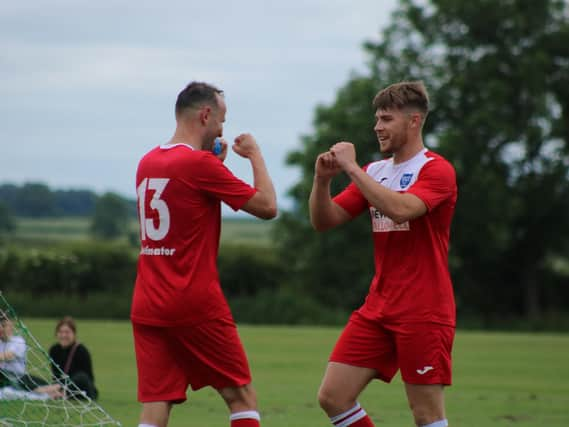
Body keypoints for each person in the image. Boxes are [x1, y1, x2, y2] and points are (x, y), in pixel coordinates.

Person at [310, 81, 457, 427]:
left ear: (414, 122)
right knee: (333, 397)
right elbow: (325, 220)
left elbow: (402, 209)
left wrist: (352, 168)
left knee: (426, 415)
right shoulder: (376, 172)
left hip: (424, 308)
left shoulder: (436, 169)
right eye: (377, 118)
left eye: (387, 118)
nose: (377, 126)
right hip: (378, 307)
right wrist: (321, 182)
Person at [131, 81, 277, 427]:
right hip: (192, 299)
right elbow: (268, 206)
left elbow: (187, 201)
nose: (222, 128)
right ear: (206, 115)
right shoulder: (199, 165)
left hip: (148, 302)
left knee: (156, 404)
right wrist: (255, 155)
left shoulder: (147, 161)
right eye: (222, 121)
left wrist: (215, 164)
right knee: (241, 397)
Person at [0, 314, 63, 398]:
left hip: (18, 377)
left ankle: (53, 391)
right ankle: (49, 392)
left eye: (4, 326)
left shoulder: (18, 341)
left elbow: (8, 356)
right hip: (4, 378)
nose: (2, 329)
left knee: (42, 385)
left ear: (11, 326)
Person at [49, 316, 98, 400]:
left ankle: (61, 391)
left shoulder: (81, 350)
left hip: (81, 388)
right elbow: (56, 375)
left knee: (81, 376)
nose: (63, 335)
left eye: (67, 332)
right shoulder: (54, 350)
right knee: (26, 378)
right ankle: (54, 391)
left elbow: (88, 378)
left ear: (74, 334)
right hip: (60, 385)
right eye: (60, 332)